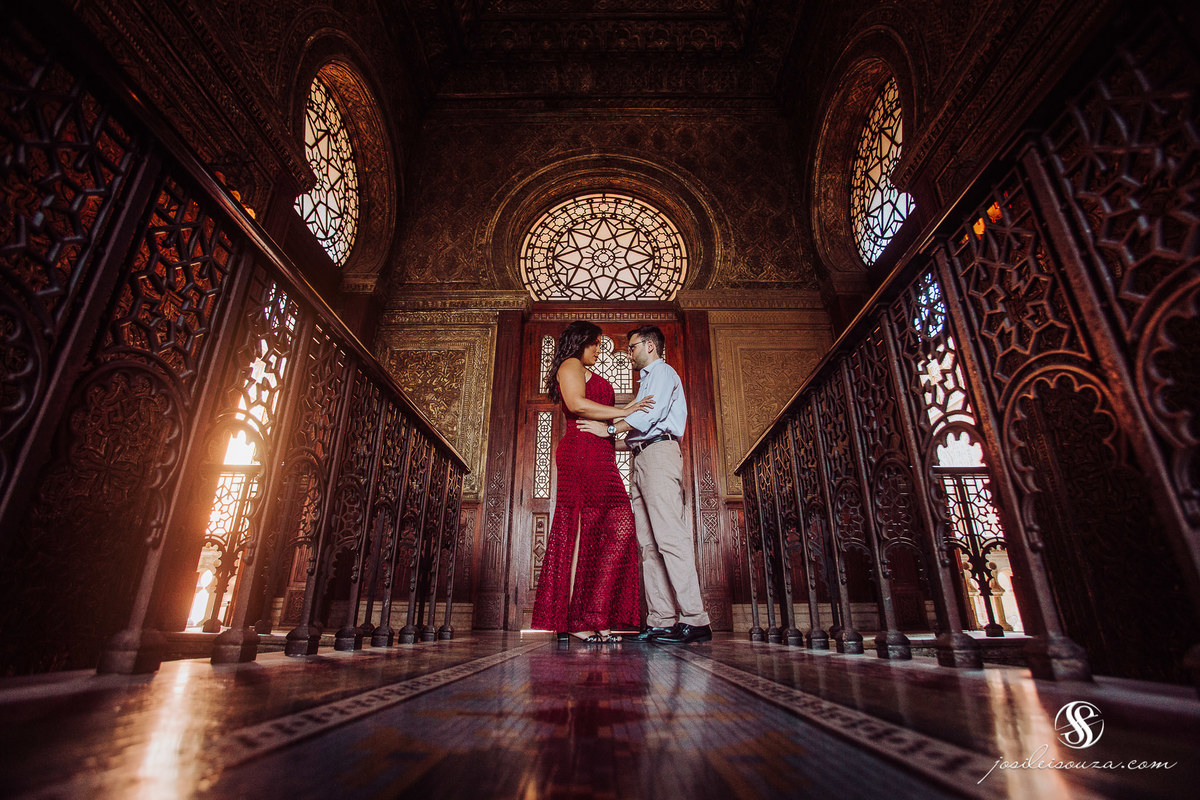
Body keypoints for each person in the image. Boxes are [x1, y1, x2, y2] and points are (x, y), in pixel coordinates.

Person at [577, 325, 712, 644]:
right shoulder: (648, 379)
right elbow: (641, 419)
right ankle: (662, 619)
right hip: (641, 457)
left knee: (670, 537)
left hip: (660, 453)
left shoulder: (663, 373)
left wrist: (608, 431)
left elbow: (649, 416)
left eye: (633, 346)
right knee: (648, 545)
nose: (629, 352)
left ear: (650, 346)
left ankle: (696, 619)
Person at [530, 321, 654, 643]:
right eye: (596, 344)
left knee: (616, 527)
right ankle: (572, 619)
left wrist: (621, 424)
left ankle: (597, 614)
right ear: (580, 342)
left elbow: (603, 418)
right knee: (581, 528)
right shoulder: (570, 364)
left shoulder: (589, 370)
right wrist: (624, 409)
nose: (599, 350)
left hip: (602, 453)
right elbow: (577, 405)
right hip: (581, 451)